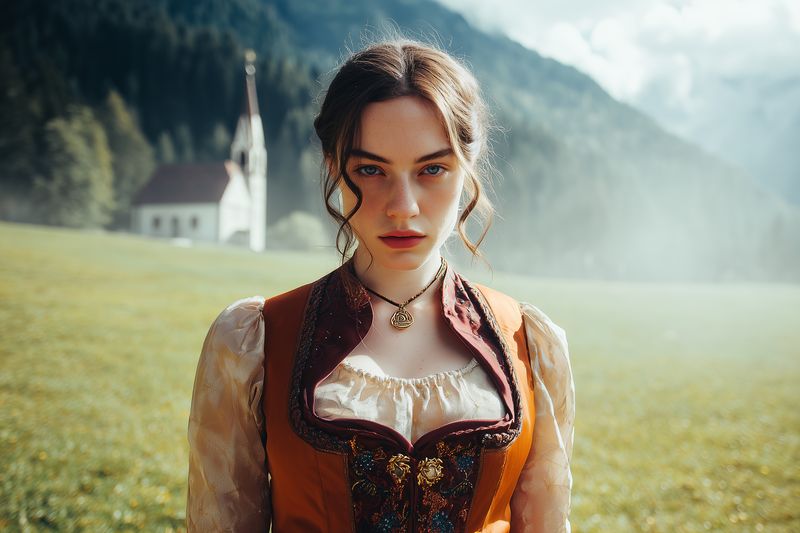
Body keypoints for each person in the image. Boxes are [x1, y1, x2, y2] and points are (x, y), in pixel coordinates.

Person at [186, 38, 575, 532]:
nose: (403, 206)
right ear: (333, 166)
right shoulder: (254, 341)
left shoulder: (529, 344)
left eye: (432, 169)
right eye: (371, 170)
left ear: (467, 170)